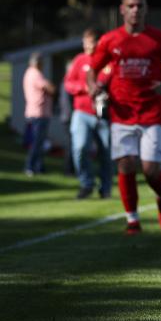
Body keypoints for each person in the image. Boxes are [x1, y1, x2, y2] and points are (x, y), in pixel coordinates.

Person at [87, 0, 161, 234]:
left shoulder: (159, 38)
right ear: (122, 9)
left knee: (151, 170)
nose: (135, 10)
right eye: (131, 6)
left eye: (140, 6)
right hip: (122, 114)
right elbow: (93, 69)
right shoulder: (110, 40)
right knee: (126, 165)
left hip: (153, 114)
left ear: (146, 9)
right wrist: (93, 88)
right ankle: (132, 219)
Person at [64, 28, 113, 198]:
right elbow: (68, 84)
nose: (86, 46)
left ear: (98, 43)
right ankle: (86, 184)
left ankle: (105, 188)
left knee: (106, 153)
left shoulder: (109, 62)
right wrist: (84, 88)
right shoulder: (80, 60)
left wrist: (108, 94)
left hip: (104, 115)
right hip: (82, 113)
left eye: (90, 42)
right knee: (79, 148)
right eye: (84, 42)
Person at [22, 52, 56, 176]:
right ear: (38, 62)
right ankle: (30, 167)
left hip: (35, 112)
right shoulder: (35, 74)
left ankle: (39, 167)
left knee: (39, 142)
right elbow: (49, 88)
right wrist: (52, 87)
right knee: (37, 142)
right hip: (38, 113)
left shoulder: (29, 73)